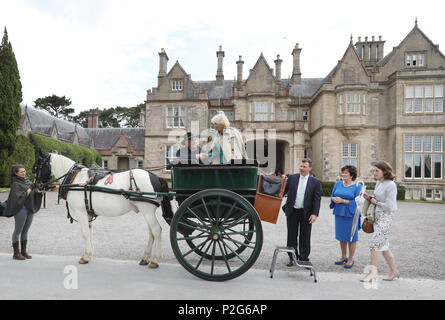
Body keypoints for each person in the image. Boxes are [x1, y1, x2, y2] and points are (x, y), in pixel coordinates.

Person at [361, 161, 399, 282]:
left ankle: (371, 274)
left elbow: (390, 206)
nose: (374, 172)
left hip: (386, 219)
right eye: (374, 170)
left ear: (385, 171)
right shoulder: (379, 183)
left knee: (375, 245)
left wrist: (375, 202)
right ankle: (394, 271)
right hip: (377, 218)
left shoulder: (391, 185)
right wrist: (369, 197)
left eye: (377, 170)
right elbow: (378, 199)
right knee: (384, 247)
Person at [282, 159, 322, 267]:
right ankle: (292, 258)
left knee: (305, 236)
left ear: (310, 168)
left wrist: (315, 214)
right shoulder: (292, 178)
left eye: (304, 167)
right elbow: (283, 192)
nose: (302, 168)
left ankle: (304, 258)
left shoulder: (315, 182)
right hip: (292, 211)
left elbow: (317, 199)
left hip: (307, 213)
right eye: (301, 166)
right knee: (291, 236)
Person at [3, 165, 44, 260]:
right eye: (21, 172)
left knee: (25, 231)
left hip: (30, 208)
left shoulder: (27, 181)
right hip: (21, 209)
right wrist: (30, 188)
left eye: (24, 171)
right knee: (18, 231)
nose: (24, 173)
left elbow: (33, 193)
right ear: (16, 173)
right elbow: (20, 197)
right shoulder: (16, 184)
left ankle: (23, 251)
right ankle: (16, 253)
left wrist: (40, 192)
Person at [330, 165, 362, 269]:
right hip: (339, 213)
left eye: (346, 173)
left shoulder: (357, 186)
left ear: (351, 175)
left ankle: (351, 259)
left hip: (351, 214)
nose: (343, 174)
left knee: (351, 237)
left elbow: (359, 202)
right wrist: (334, 199)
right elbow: (332, 195)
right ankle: (343, 256)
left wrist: (343, 201)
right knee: (342, 236)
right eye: (342, 172)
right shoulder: (338, 184)